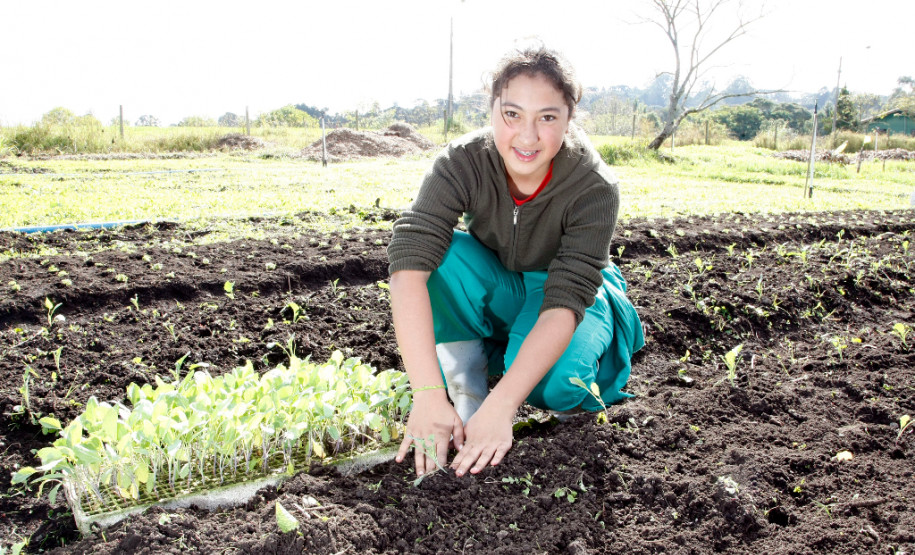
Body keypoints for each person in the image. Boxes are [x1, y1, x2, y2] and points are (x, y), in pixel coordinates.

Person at [387, 44, 644, 479]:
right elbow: (409, 264)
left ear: (568, 118)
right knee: (436, 255)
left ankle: (585, 347)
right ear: (491, 111)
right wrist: (429, 393)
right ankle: (466, 393)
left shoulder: (594, 185)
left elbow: (565, 300)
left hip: (563, 290)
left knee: (560, 387)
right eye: (512, 114)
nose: (527, 137)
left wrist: (505, 406)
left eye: (547, 117)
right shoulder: (461, 163)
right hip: (501, 277)